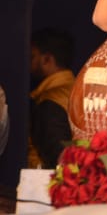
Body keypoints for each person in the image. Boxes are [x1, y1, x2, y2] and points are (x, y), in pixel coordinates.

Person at [29, 27, 75, 168]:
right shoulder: (79, 90)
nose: (28, 63)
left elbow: (58, 156)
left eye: (32, 57)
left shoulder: (49, 101)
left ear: (47, 59)